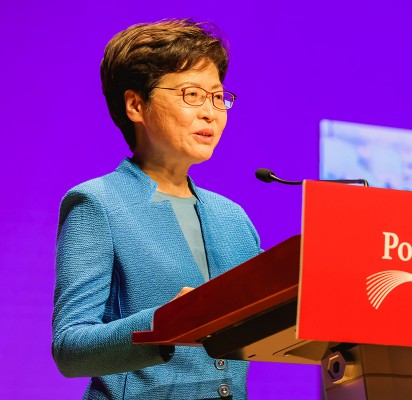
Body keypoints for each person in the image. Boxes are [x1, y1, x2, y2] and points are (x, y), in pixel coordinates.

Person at [52, 19, 261, 399]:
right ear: (136, 104)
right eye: (192, 94)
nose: (211, 113)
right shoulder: (97, 204)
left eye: (218, 97)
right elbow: (69, 349)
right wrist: (165, 324)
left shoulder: (234, 218)